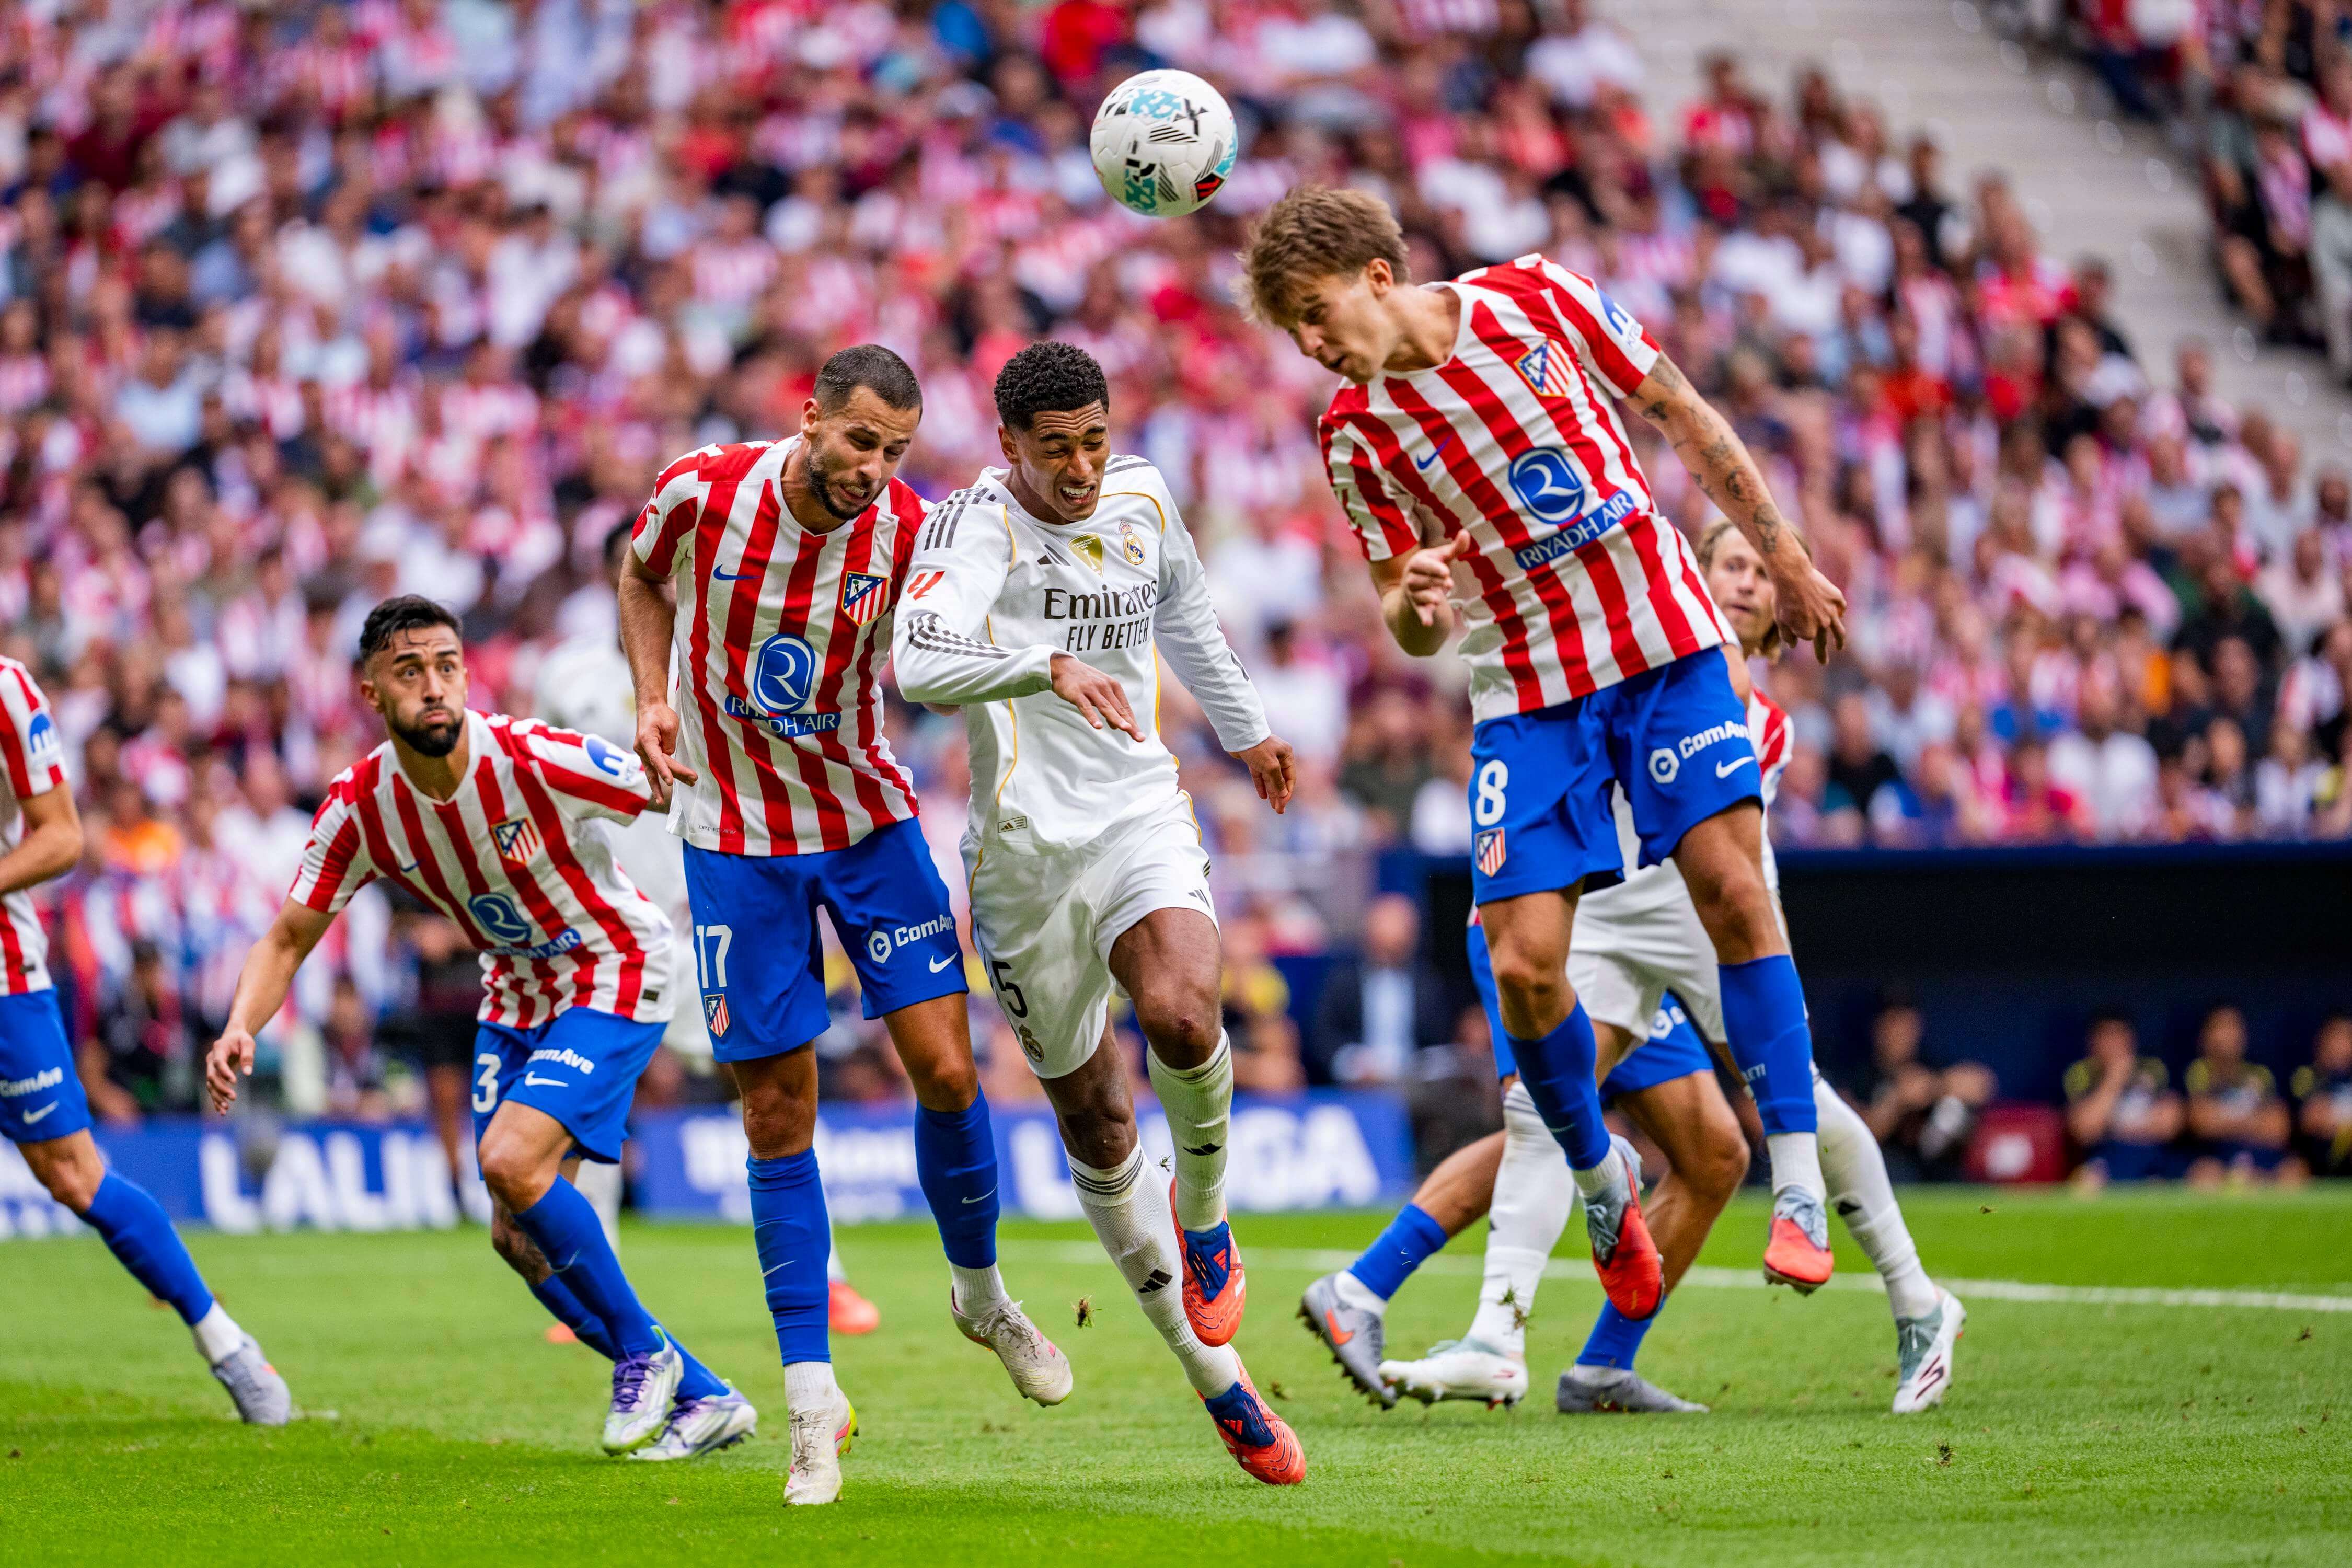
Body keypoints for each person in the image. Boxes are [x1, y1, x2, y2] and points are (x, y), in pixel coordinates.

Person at [1243, 186, 1848, 1301]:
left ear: (1380, 276)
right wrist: (1417, 597)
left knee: (1731, 888)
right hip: (1527, 689)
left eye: (1317, 312)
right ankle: (1599, 1177)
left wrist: (1788, 556)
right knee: (1524, 970)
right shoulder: (1354, 435)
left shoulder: (1536, 295)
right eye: (1295, 331)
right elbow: (1408, 618)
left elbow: (1685, 415)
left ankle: (1801, 1185)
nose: (1314, 343)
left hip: (1664, 640)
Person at [1300, 522, 1962, 1419]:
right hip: (1596, 914)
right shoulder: (1642, 643)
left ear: (1785, 607)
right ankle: (1474, 1327)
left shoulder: (1738, 697)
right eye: (1728, 563)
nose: (1741, 582)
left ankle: (1909, 1299)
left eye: (1762, 576)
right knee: (1559, 1120)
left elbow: (1716, 707)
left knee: (1735, 1135)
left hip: (1686, 919)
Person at [619, 345, 1064, 1507]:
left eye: (896, 450)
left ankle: (981, 1297)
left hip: (867, 819)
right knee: (777, 1112)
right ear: (808, 417)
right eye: (861, 441)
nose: (876, 469)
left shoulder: (912, 529)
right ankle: (812, 1401)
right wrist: (651, 697)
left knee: (952, 1076)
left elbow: (958, 638)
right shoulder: (703, 490)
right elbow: (641, 577)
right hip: (731, 842)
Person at [891, 341, 1306, 1485]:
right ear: (1008, 445)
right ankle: (1213, 1379)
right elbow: (919, 661)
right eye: (1055, 449)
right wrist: (1043, 665)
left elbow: (1188, 618)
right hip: (1023, 860)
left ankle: (1209, 1215)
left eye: (1094, 440)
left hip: (1136, 810)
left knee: (1182, 1012)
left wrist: (1247, 727)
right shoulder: (975, 528)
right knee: (1099, 1122)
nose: (1080, 468)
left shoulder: (1142, 493)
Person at [207, 598, 754, 1462]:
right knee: (513, 1235)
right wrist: (241, 1024)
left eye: (447, 666)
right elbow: (286, 936)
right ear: (371, 693)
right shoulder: (362, 808)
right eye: (410, 671)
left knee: (509, 1162)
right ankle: (706, 1397)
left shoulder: (535, 757)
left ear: (468, 674)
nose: (434, 686)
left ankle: (644, 1355)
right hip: (517, 994)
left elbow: (673, 786)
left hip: (616, 967)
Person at [538, 518, 883, 1335]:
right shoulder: (566, 675)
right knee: (596, 1100)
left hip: (712, 911)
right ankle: (596, 1285)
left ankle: (827, 1278)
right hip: (615, 920)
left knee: (772, 1087)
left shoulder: (727, 654)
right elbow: (544, 782)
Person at [0, 655, 292, 1425]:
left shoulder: (8, 690)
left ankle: (225, 1342)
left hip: (6, 983)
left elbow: (61, 837)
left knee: (72, 1174)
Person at [1307, 891, 1455, 1086]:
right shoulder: (1342, 982)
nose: (1390, 949)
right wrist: (1353, 1065)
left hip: (1415, 1087)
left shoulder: (1429, 985)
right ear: (1368, 936)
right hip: (1356, 1086)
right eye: (1384, 942)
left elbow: (1439, 1043)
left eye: (1398, 944)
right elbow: (1323, 1037)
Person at [2184, 1005, 2303, 1186]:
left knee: (2294, 1171)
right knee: (2204, 1174)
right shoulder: (2198, 1072)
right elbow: (2202, 1122)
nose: (2228, 1035)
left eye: (2233, 1027)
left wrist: (2225, 1119)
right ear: (2206, 1036)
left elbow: (2279, 1128)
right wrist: (2254, 1119)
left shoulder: (2260, 1074)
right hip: (2217, 1157)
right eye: (2221, 1027)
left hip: (2263, 1157)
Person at [2063, 1011, 2185, 1186]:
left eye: (2120, 1035)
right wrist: (2115, 1078)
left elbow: (2170, 1125)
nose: (2114, 1044)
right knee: (2086, 1182)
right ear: (2092, 1042)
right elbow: (2085, 1131)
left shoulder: (2152, 1070)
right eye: (2107, 1036)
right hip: (2107, 1158)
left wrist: (2109, 1126)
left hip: (2153, 1157)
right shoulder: (2082, 1074)